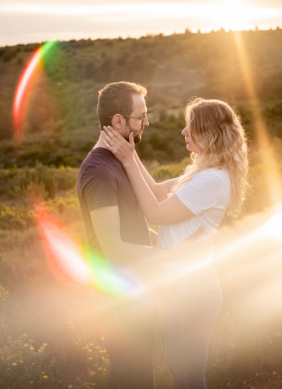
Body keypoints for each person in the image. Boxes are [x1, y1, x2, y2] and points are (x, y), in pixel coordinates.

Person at [101, 97, 249, 389]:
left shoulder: (213, 180)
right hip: (186, 287)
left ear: (210, 135)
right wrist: (129, 155)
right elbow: (156, 192)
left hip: (191, 292)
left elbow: (154, 212)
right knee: (185, 376)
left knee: (188, 379)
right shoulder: (201, 173)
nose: (183, 132)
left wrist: (128, 159)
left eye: (190, 127)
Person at [77, 82, 212, 389]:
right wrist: (173, 256)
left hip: (136, 294)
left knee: (138, 378)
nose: (147, 123)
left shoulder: (123, 157)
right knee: (131, 378)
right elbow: (113, 248)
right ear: (118, 122)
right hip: (117, 301)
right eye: (141, 116)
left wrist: (207, 172)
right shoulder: (98, 171)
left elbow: (148, 207)